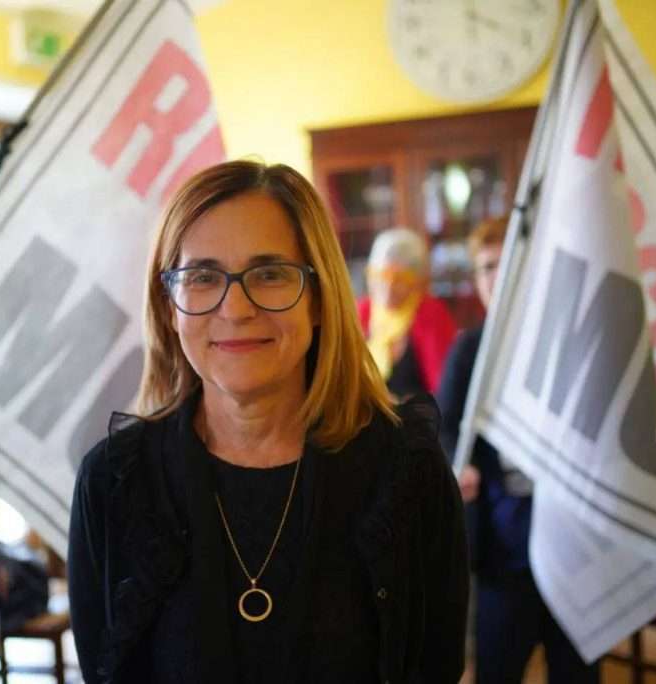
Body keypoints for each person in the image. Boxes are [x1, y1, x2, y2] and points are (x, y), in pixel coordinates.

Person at [68, 160, 468, 683]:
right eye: (202, 276)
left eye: (270, 274)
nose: (236, 309)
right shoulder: (114, 483)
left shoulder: (407, 474)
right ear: (169, 307)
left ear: (320, 298)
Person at [436, 216, 599, 683]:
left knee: (577, 673)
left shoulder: (569, 342)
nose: (497, 276)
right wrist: (460, 462)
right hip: (502, 548)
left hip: (570, 546)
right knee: (496, 669)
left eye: (507, 263)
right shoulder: (469, 350)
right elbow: (444, 428)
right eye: (486, 267)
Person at [357, 227, 457, 398]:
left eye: (400, 279)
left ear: (417, 282)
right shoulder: (362, 311)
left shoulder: (430, 313)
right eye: (381, 275)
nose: (388, 287)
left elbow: (444, 391)